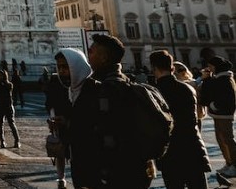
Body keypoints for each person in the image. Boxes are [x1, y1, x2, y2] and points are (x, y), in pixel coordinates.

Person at [69, 33, 155, 189]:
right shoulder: (128, 83)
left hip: (109, 169)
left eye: (92, 52)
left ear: (103, 58)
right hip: (135, 167)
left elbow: (88, 131)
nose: (89, 55)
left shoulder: (99, 88)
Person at [149, 49, 210, 189]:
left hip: (169, 153)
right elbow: (194, 119)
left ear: (154, 68)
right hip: (192, 147)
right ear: (172, 68)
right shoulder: (187, 89)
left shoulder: (153, 92)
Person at [46, 49, 90, 189]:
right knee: (61, 152)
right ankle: (61, 178)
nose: (61, 71)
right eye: (59, 67)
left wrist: (69, 121)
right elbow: (50, 102)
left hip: (89, 150)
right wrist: (53, 117)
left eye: (65, 67)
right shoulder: (60, 83)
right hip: (65, 130)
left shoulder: (92, 88)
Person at [199, 56, 236, 178]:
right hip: (219, 113)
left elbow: (227, 97)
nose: (209, 68)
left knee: (227, 139)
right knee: (222, 139)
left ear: (216, 66)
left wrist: (214, 105)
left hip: (224, 114)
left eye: (210, 66)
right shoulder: (220, 78)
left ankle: (234, 165)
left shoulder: (225, 79)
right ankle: (229, 163)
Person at [0, 70, 20, 148]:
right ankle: (15, 141)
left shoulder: (4, 85)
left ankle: (5, 142)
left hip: (4, 106)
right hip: (6, 106)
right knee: (9, 124)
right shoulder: (9, 84)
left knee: (3, 124)